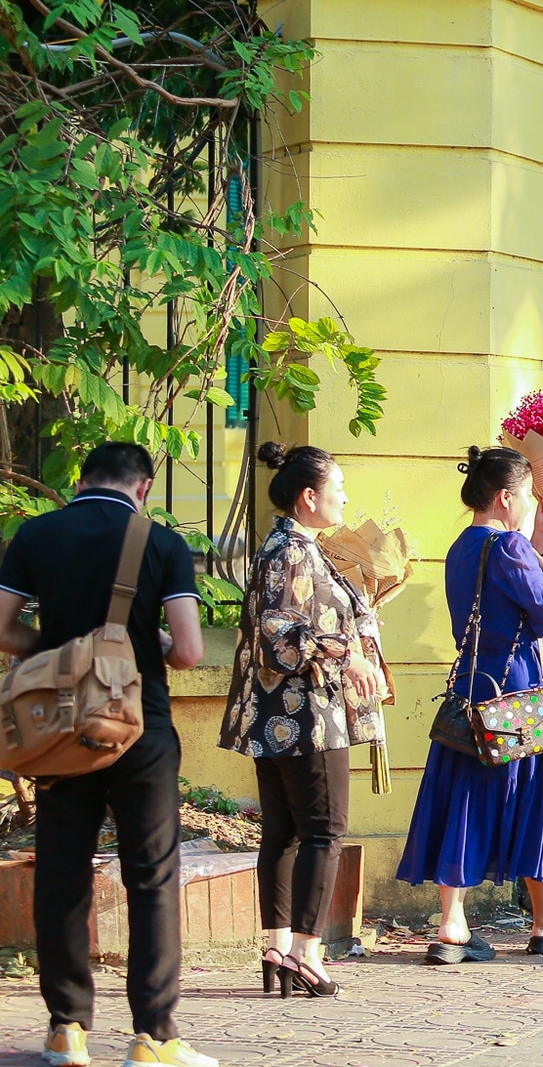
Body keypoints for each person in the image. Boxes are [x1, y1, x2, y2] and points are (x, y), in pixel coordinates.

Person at [0, 443, 218, 1067]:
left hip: (61, 729)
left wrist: (65, 653)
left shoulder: (37, 534)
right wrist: (127, 646)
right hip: (140, 728)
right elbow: (190, 651)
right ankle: (154, 1037)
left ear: (80, 479)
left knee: (62, 871)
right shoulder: (162, 543)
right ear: (144, 486)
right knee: (151, 876)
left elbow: (3, 628)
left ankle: (67, 1029)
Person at [397, 447, 543, 963]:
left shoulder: (463, 546)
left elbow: (505, 588)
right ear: (506, 497)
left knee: (465, 792)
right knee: (539, 791)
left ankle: (451, 924)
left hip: (475, 684)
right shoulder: (509, 546)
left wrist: (535, 544)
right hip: (523, 685)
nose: (531, 504)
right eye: (528, 495)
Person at [218, 444, 387, 997]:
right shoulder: (292, 550)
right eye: (337, 487)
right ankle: (306, 952)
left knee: (286, 834)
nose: (344, 497)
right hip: (304, 715)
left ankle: (278, 944)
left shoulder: (294, 547)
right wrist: (349, 652)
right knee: (323, 832)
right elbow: (279, 631)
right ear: (309, 496)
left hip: (281, 717)